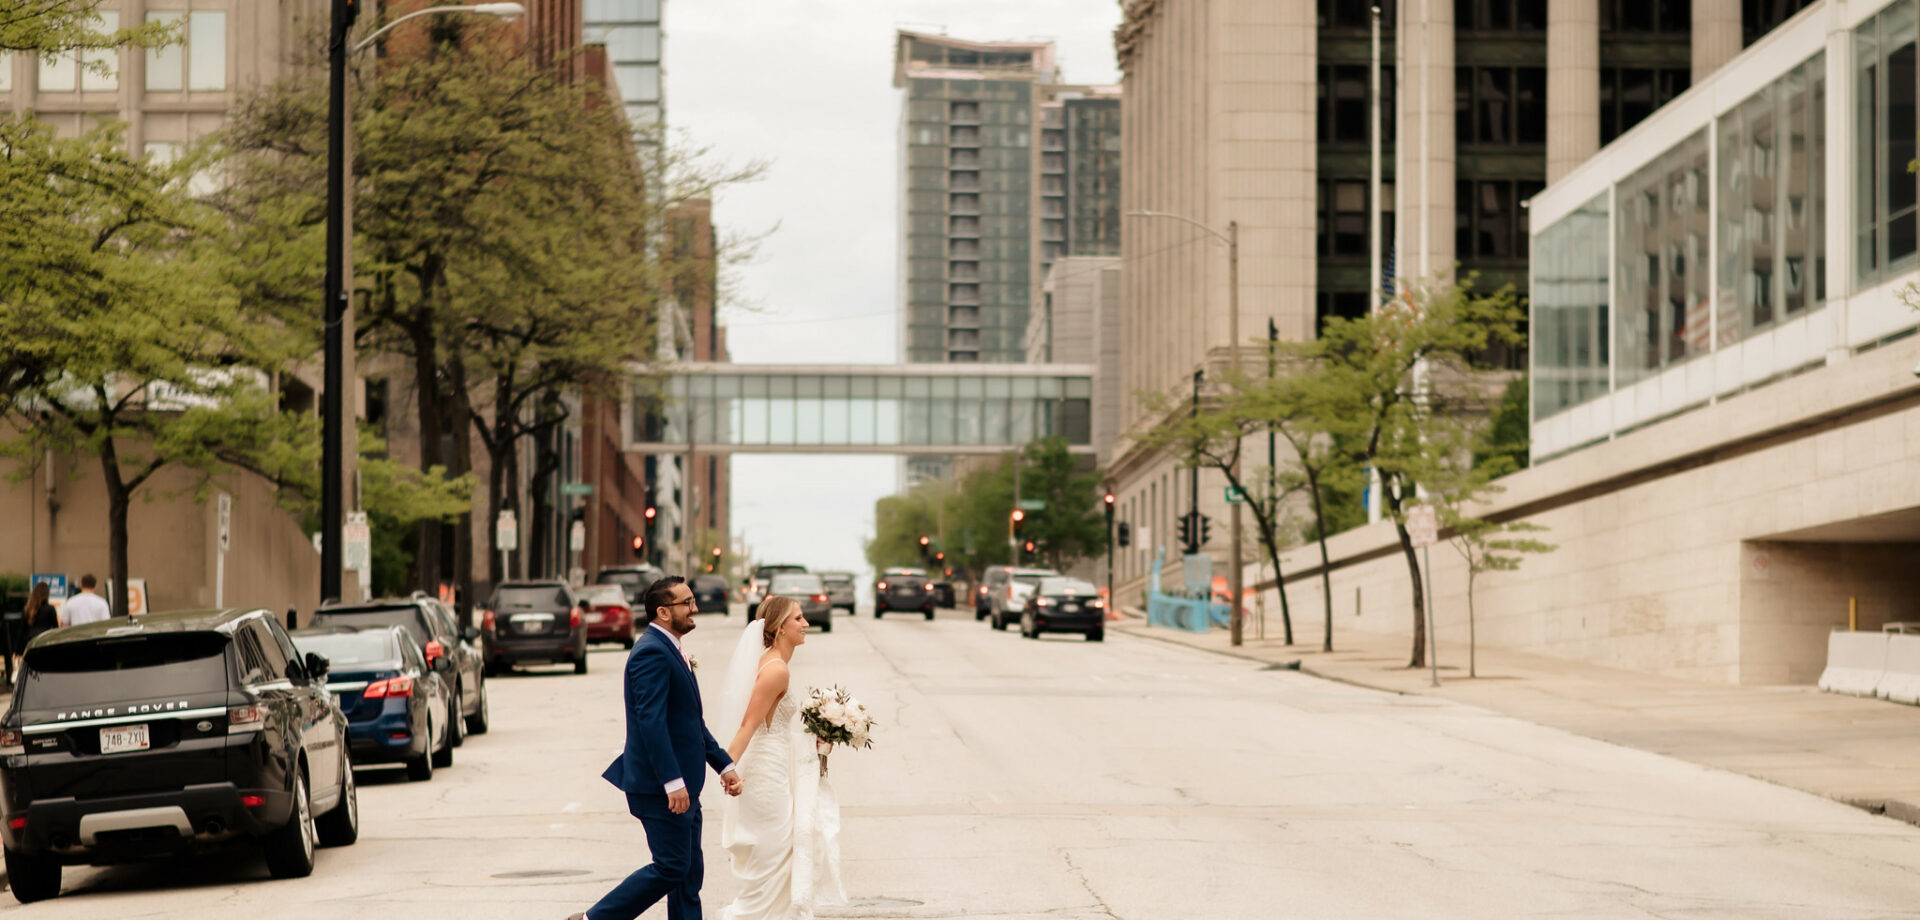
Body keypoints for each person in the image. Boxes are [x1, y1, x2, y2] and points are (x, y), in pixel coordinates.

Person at [572, 576, 742, 920]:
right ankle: (595, 918)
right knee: (672, 866)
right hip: (660, 787)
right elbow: (651, 723)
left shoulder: (671, 648)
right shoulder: (650, 652)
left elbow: (690, 722)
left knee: (688, 875)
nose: (694, 608)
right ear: (663, 612)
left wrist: (723, 764)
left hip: (684, 785)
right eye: (687, 603)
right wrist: (672, 781)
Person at [716, 595, 847, 919]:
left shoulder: (775, 664)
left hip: (774, 764)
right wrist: (727, 767)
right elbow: (748, 724)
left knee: (777, 849)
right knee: (773, 852)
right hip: (765, 772)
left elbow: (771, 721)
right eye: (799, 619)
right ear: (780, 628)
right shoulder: (776, 670)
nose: (806, 624)